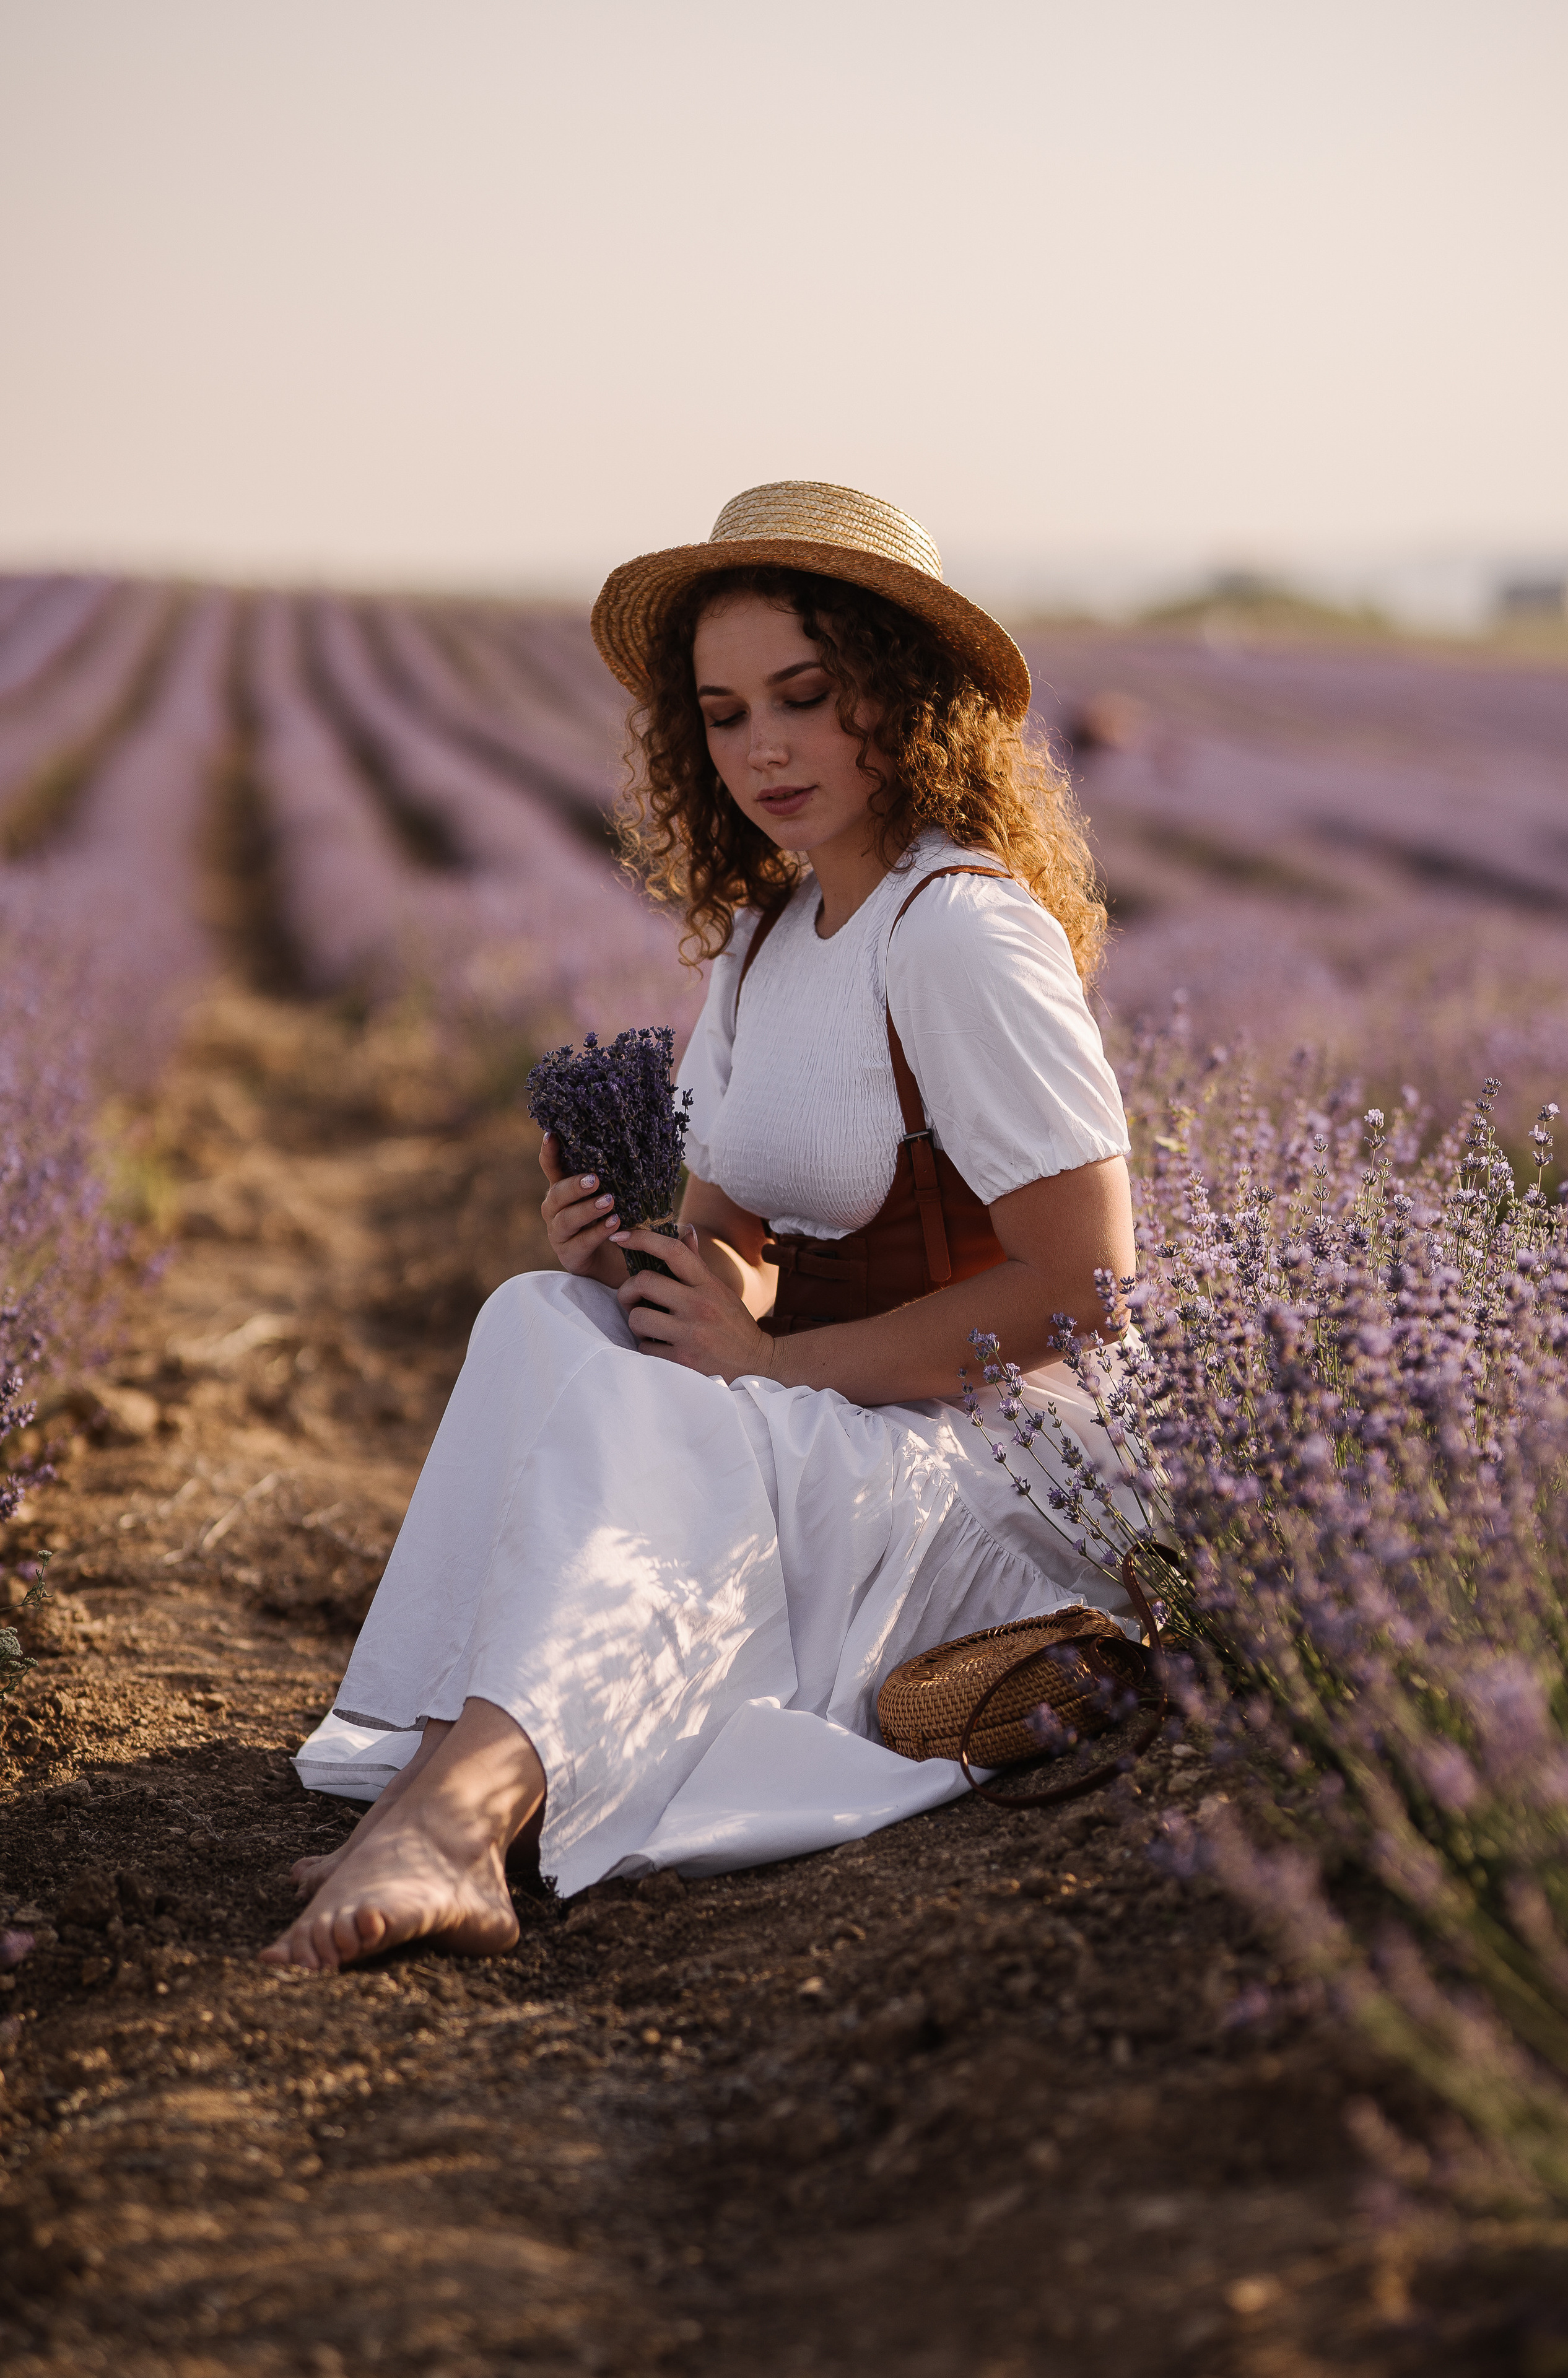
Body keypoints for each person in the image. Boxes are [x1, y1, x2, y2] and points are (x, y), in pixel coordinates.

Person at [264, 481, 1136, 1974]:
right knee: (542, 1318)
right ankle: (447, 1760)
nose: (764, 749)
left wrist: (767, 1366)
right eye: (725, 714)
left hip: (991, 1469)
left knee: (655, 1413)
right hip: (845, 1407)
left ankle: (457, 1819)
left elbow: (1084, 1286)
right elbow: (738, 1239)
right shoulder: (763, 941)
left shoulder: (963, 934)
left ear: (905, 696)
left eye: (806, 696)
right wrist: (647, 1268)